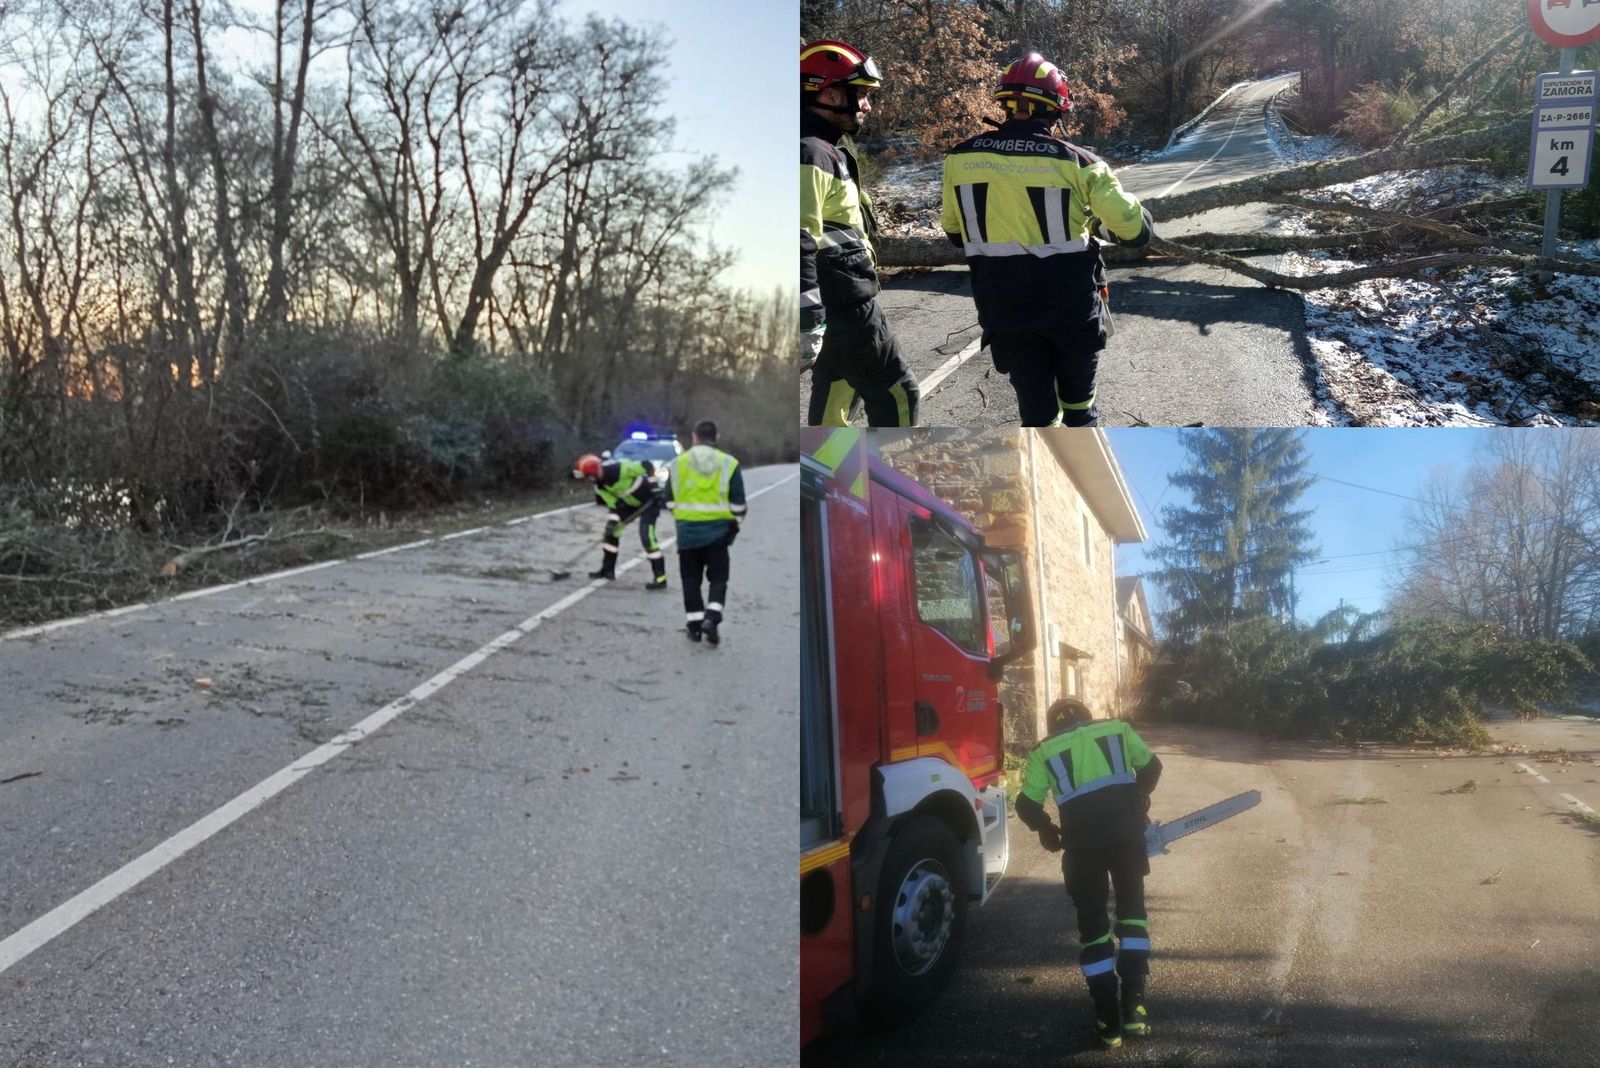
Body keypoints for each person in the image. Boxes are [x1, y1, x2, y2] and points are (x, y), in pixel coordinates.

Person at [940, 53, 1154, 427]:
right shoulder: (1079, 163)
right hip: (1071, 313)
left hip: (1004, 311)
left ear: (1005, 105)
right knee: (1079, 407)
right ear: (1057, 110)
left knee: (1037, 416)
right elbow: (1134, 231)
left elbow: (956, 233)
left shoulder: (959, 159)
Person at [1015, 698, 1163, 1048]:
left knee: (1094, 930)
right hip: (1127, 840)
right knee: (1133, 919)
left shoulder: (1044, 751)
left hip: (1082, 849)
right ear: (1087, 717)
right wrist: (1136, 798)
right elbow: (1153, 767)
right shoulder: (1116, 729)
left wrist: (1046, 830)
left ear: (1053, 726)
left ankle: (1107, 1022)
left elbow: (1025, 805)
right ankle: (1134, 1010)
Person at [801, 38, 920, 428]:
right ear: (830, 94)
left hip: (838, 299)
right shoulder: (811, 152)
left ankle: (820, 481)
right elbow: (797, 238)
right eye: (861, 95)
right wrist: (808, 319)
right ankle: (892, 484)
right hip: (845, 304)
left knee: (835, 397)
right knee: (898, 394)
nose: (867, 105)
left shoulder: (825, 147)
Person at [663, 420, 745, 645]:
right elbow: (739, 505)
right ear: (716, 437)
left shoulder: (677, 464)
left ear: (694, 437)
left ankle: (694, 626)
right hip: (718, 534)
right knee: (718, 579)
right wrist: (733, 526)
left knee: (690, 580)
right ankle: (712, 617)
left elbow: (668, 500)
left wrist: (682, 517)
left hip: (687, 535)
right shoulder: (729, 463)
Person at [571, 453, 667, 590]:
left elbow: (647, 465)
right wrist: (612, 524)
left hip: (649, 502)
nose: (587, 481)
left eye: (587, 477)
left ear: (594, 473)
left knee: (647, 536)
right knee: (611, 534)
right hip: (628, 505)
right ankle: (607, 570)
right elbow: (614, 505)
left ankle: (660, 578)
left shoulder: (622, 469)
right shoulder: (600, 486)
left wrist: (655, 488)